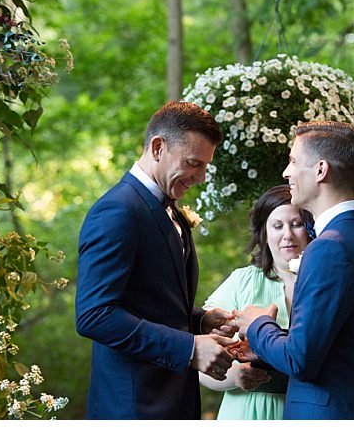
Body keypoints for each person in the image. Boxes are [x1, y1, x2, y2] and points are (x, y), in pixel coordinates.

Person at [75, 101, 239, 419]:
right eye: (194, 163)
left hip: (173, 401)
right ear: (158, 147)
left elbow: (147, 303)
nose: (201, 177)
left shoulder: (169, 207)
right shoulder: (117, 211)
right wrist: (189, 349)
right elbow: (94, 315)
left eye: (205, 166)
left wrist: (199, 321)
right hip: (133, 405)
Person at [234, 121, 354, 419]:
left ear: (321, 170)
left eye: (294, 161)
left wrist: (258, 324)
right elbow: (339, 346)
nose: (286, 172)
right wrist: (264, 349)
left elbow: (301, 360)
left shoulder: (329, 248)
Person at [199, 184, 313, 419]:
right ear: (265, 233)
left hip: (310, 410)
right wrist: (235, 376)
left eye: (297, 224)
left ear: (311, 229)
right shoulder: (242, 282)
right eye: (277, 226)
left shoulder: (324, 282)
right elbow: (201, 359)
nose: (287, 235)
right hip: (248, 413)